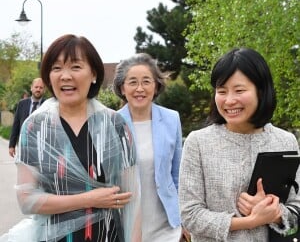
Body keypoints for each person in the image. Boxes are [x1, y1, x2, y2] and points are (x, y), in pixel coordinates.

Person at [12, 34, 141, 242]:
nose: (65, 76)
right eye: (56, 68)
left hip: (106, 236)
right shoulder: (35, 128)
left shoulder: (115, 125)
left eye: (75, 67)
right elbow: (27, 201)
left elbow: (132, 201)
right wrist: (90, 199)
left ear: (94, 75)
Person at [178, 47, 300, 241]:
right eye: (222, 91)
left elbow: (296, 208)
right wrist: (251, 221)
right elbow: (190, 215)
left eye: (239, 90)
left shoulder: (285, 141)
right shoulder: (198, 142)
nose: (229, 100)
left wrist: (274, 213)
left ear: (261, 91)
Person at [113, 53, 188, 241]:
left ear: (155, 86)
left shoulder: (172, 119)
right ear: (122, 88)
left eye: (146, 81)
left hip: (166, 226)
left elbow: (177, 173)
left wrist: (183, 220)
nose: (140, 89)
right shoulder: (110, 123)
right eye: (132, 82)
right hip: (126, 224)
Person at [9, 77, 46, 157]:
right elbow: (16, 125)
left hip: (41, 149)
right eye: (36, 87)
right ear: (31, 88)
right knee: (24, 169)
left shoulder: (47, 106)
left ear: (44, 90)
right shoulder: (22, 104)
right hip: (24, 146)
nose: (38, 89)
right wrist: (12, 145)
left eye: (41, 87)